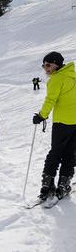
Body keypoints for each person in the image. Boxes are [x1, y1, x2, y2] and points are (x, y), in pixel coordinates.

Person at [33, 51, 76, 200]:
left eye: (48, 64)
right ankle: (63, 184)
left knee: (56, 153)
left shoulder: (56, 79)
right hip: (74, 123)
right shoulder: (73, 76)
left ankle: (48, 185)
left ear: (57, 64)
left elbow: (50, 100)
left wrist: (41, 116)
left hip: (62, 123)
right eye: (44, 65)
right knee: (70, 154)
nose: (46, 68)